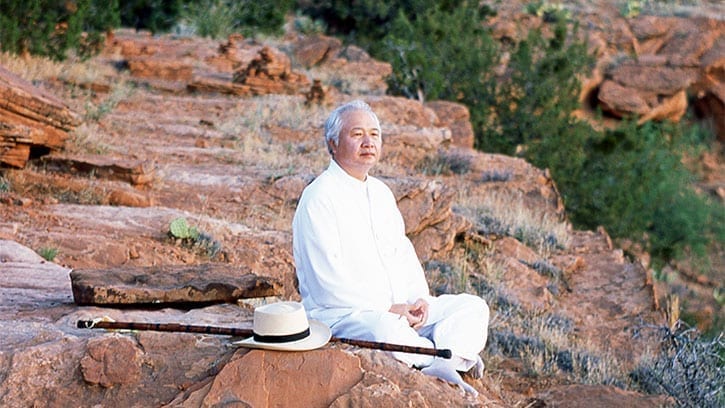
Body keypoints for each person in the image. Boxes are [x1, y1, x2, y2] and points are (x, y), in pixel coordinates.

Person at [292, 100, 489, 396]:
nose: (368, 142)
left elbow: (402, 254)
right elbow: (326, 282)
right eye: (357, 134)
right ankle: (450, 354)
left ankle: (438, 353)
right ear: (333, 143)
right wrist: (388, 309)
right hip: (347, 314)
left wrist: (419, 301)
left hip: (402, 311)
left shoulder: (381, 193)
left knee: (472, 306)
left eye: (375, 134)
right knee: (384, 329)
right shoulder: (319, 197)